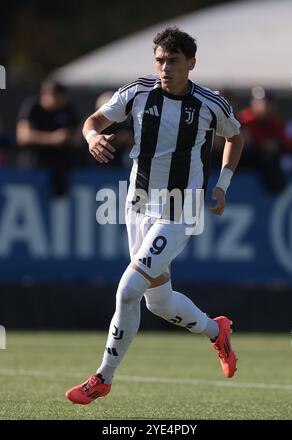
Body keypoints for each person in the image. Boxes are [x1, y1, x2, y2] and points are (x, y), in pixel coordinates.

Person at [66, 27, 243, 405]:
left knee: (128, 289)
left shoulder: (210, 104)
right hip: (138, 203)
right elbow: (93, 121)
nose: (164, 68)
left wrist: (223, 184)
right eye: (160, 60)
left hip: (180, 208)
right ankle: (217, 331)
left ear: (191, 63)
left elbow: (235, 136)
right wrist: (91, 137)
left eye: (173, 61)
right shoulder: (138, 92)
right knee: (157, 302)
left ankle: (102, 378)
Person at [17, 79, 78, 196]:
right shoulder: (32, 106)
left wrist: (68, 137)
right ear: (46, 95)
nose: (60, 102)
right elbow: (23, 136)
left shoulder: (67, 108)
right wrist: (52, 138)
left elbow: (78, 135)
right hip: (34, 165)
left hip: (61, 168)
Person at [237, 87, 292, 192]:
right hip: (245, 162)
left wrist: (276, 144)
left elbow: (287, 144)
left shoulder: (275, 122)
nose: (262, 106)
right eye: (259, 102)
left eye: (266, 102)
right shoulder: (244, 120)